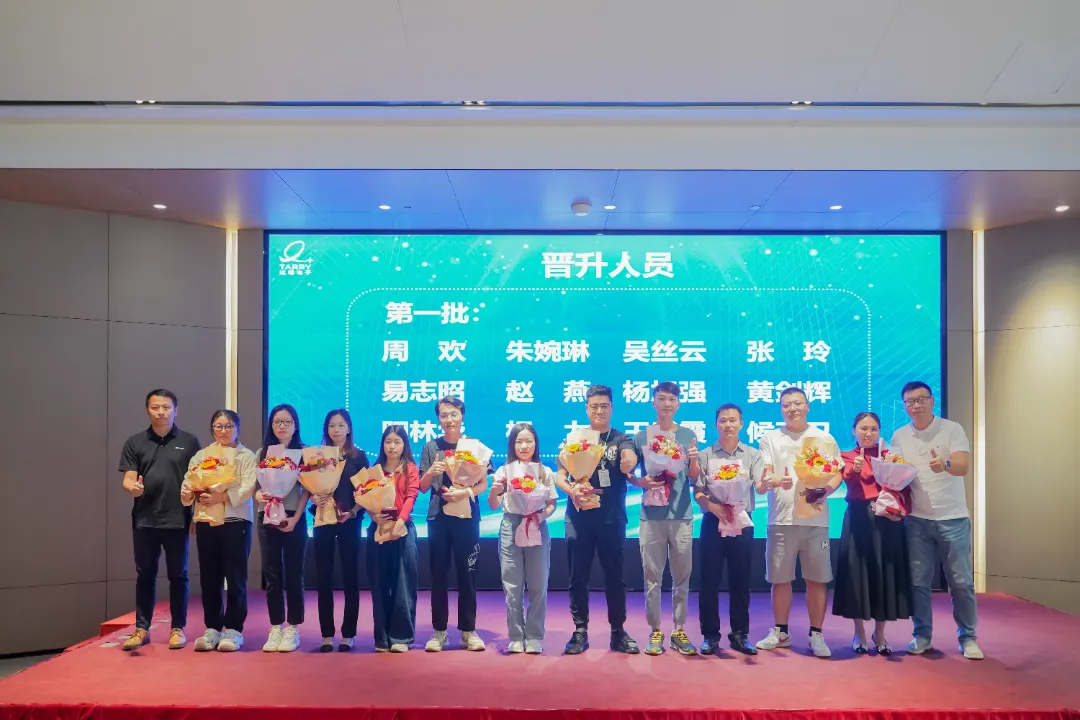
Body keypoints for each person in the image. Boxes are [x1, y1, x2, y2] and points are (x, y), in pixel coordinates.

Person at [890, 381, 981, 660]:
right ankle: (922, 635)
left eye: (921, 399)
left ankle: (968, 637)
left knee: (961, 582)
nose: (916, 405)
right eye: (910, 401)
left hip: (952, 518)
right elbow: (896, 473)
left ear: (932, 401)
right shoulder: (899, 436)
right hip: (916, 520)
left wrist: (945, 464)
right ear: (904, 406)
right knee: (918, 582)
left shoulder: (951, 429)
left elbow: (963, 466)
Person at [755, 386, 844, 658]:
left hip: (816, 520)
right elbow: (766, 474)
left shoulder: (823, 438)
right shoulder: (770, 438)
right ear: (781, 409)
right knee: (779, 579)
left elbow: (837, 472)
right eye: (786, 405)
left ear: (807, 406)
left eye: (797, 403)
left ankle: (816, 633)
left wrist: (825, 490)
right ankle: (781, 631)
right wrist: (773, 481)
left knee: (816, 579)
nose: (792, 409)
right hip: (781, 519)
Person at [556, 384, 641, 655]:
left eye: (604, 406)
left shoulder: (621, 439)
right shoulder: (575, 439)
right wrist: (571, 491)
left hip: (611, 519)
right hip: (578, 517)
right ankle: (580, 631)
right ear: (586, 409)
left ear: (612, 408)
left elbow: (630, 456)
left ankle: (618, 631)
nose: (599, 411)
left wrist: (629, 460)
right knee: (577, 576)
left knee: (615, 577)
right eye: (594, 406)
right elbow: (560, 475)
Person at [118, 389, 201, 651]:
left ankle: (178, 628)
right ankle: (141, 628)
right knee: (145, 575)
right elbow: (128, 478)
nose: (161, 412)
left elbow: (198, 481)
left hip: (178, 519)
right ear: (147, 410)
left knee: (179, 575)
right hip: (144, 520)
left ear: (176, 410)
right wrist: (132, 488)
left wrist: (196, 515)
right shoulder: (135, 442)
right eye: (155, 407)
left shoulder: (189, 442)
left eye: (166, 407)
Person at [832, 412, 912, 655]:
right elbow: (846, 479)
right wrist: (854, 470)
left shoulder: (890, 456)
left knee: (884, 574)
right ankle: (859, 632)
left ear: (879, 432)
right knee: (858, 574)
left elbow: (903, 488)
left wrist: (900, 511)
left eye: (873, 429)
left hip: (887, 520)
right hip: (858, 520)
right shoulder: (847, 456)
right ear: (853, 431)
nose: (868, 433)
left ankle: (880, 633)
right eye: (863, 428)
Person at [418, 396, 492, 652]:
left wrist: (466, 493)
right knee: (438, 574)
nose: (448, 419)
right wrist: (431, 472)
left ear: (462, 415)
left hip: (467, 516)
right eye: (443, 415)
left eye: (453, 414)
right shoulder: (431, 447)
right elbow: (422, 487)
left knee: (468, 573)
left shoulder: (474, 446)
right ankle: (439, 631)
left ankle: (468, 631)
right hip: (438, 517)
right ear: (438, 419)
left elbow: (483, 483)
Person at [631, 382, 699, 656]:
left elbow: (693, 477)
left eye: (672, 399)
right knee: (652, 577)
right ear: (653, 402)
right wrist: (640, 482)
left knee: (682, 576)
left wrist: (694, 460)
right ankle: (655, 630)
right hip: (651, 516)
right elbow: (630, 473)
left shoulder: (688, 435)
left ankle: (679, 630)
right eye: (662, 398)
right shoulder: (642, 436)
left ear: (678, 403)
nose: (667, 403)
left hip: (681, 514)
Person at [181, 410, 257, 652]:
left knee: (235, 577)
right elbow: (189, 480)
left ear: (237, 429)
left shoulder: (246, 456)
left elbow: (248, 487)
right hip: (206, 521)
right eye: (218, 426)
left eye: (228, 426)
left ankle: (234, 629)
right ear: (212, 429)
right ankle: (212, 627)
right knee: (209, 577)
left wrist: (222, 497)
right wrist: (188, 493)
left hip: (236, 521)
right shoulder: (202, 456)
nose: (223, 431)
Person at [692, 403, 762, 656]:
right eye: (723, 420)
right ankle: (710, 635)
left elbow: (760, 485)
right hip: (713, 521)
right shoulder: (705, 455)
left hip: (742, 520)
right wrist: (712, 506)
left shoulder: (752, 454)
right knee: (709, 580)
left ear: (741, 424)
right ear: (715, 425)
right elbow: (698, 491)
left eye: (733, 420)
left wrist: (770, 482)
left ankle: (740, 634)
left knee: (740, 579)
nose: (728, 425)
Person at [488, 423, 558, 654]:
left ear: (536, 444)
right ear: (512, 445)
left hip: (537, 526)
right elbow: (494, 505)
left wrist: (541, 516)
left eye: (529, 441)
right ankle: (516, 636)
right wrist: (494, 491)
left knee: (538, 584)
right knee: (512, 585)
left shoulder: (544, 472)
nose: (524, 446)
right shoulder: (504, 471)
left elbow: (552, 504)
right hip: (511, 526)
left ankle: (535, 635)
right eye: (519, 441)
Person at [312, 409, 370, 652]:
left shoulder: (359, 457)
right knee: (323, 577)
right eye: (331, 425)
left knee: (350, 576)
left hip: (349, 522)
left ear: (349, 428)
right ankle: (326, 634)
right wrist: (314, 497)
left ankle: (348, 633)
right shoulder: (317, 457)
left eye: (341, 425)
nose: (336, 430)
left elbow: (367, 490)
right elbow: (309, 487)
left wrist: (354, 512)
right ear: (326, 429)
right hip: (323, 521)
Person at [255, 404, 311, 653]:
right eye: (277, 422)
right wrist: (259, 496)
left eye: (287, 422)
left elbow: (308, 490)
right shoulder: (263, 452)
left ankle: (293, 627)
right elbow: (256, 487)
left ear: (295, 425)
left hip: (293, 518)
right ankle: (276, 625)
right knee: (272, 573)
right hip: (267, 516)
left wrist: (296, 518)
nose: (282, 426)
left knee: (294, 573)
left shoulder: (305, 453)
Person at [365, 424, 421, 653]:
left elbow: (411, 495)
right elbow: (365, 496)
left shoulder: (410, 468)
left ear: (404, 445)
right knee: (380, 583)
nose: (392, 446)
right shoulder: (375, 469)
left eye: (397, 442)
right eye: (388, 441)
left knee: (402, 584)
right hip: (378, 528)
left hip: (403, 530)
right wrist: (374, 515)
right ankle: (381, 638)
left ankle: (401, 638)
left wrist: (400, 521)